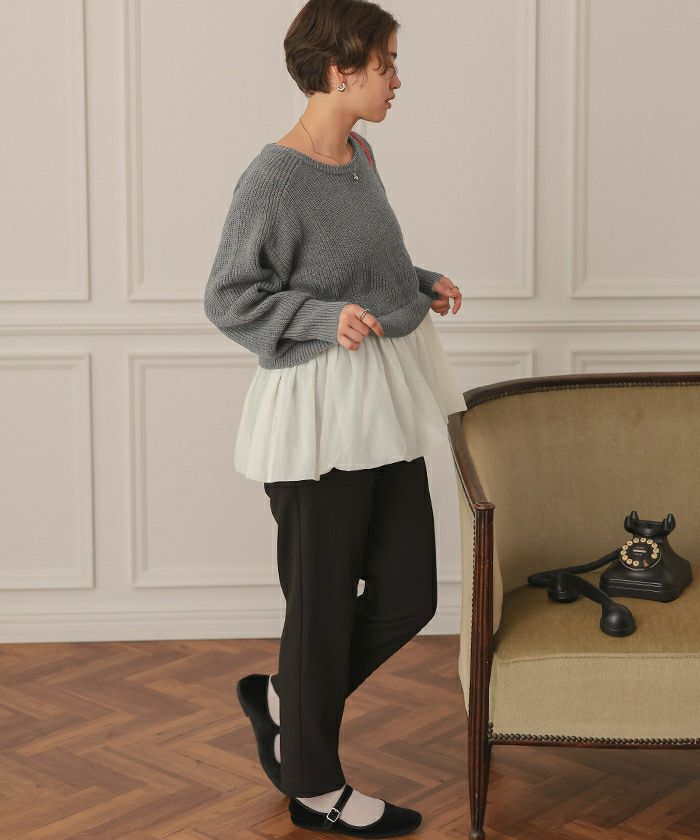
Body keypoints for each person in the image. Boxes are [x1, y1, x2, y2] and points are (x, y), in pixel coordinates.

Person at [204, 0, 464, 835]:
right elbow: (229, 297)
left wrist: (417, 282)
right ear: (339, 70)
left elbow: (357, 264)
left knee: (409, 593)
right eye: (386, 64)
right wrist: (321, 319)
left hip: (381, 405)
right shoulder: (273, 178)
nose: (397, 80)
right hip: (315, 418)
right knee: (319, 607)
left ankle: (287, 697)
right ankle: (314, 788)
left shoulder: (361, 155)